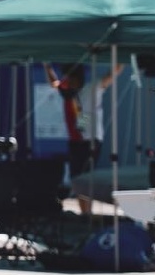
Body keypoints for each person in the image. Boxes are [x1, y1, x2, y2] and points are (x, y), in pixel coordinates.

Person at [43, 62, 124, 214]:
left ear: (79, 79)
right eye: (67, 79)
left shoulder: (91, 88)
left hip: (90, 141)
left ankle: (87, 212)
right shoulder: (70, 93)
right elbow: (55, 84)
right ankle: (84, 212)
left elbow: (109, 77)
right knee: (76, 177)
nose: (69, 83)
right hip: (76, 141)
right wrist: (47, 67)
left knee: (85, 176)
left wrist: (122, 62)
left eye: (71, 79)